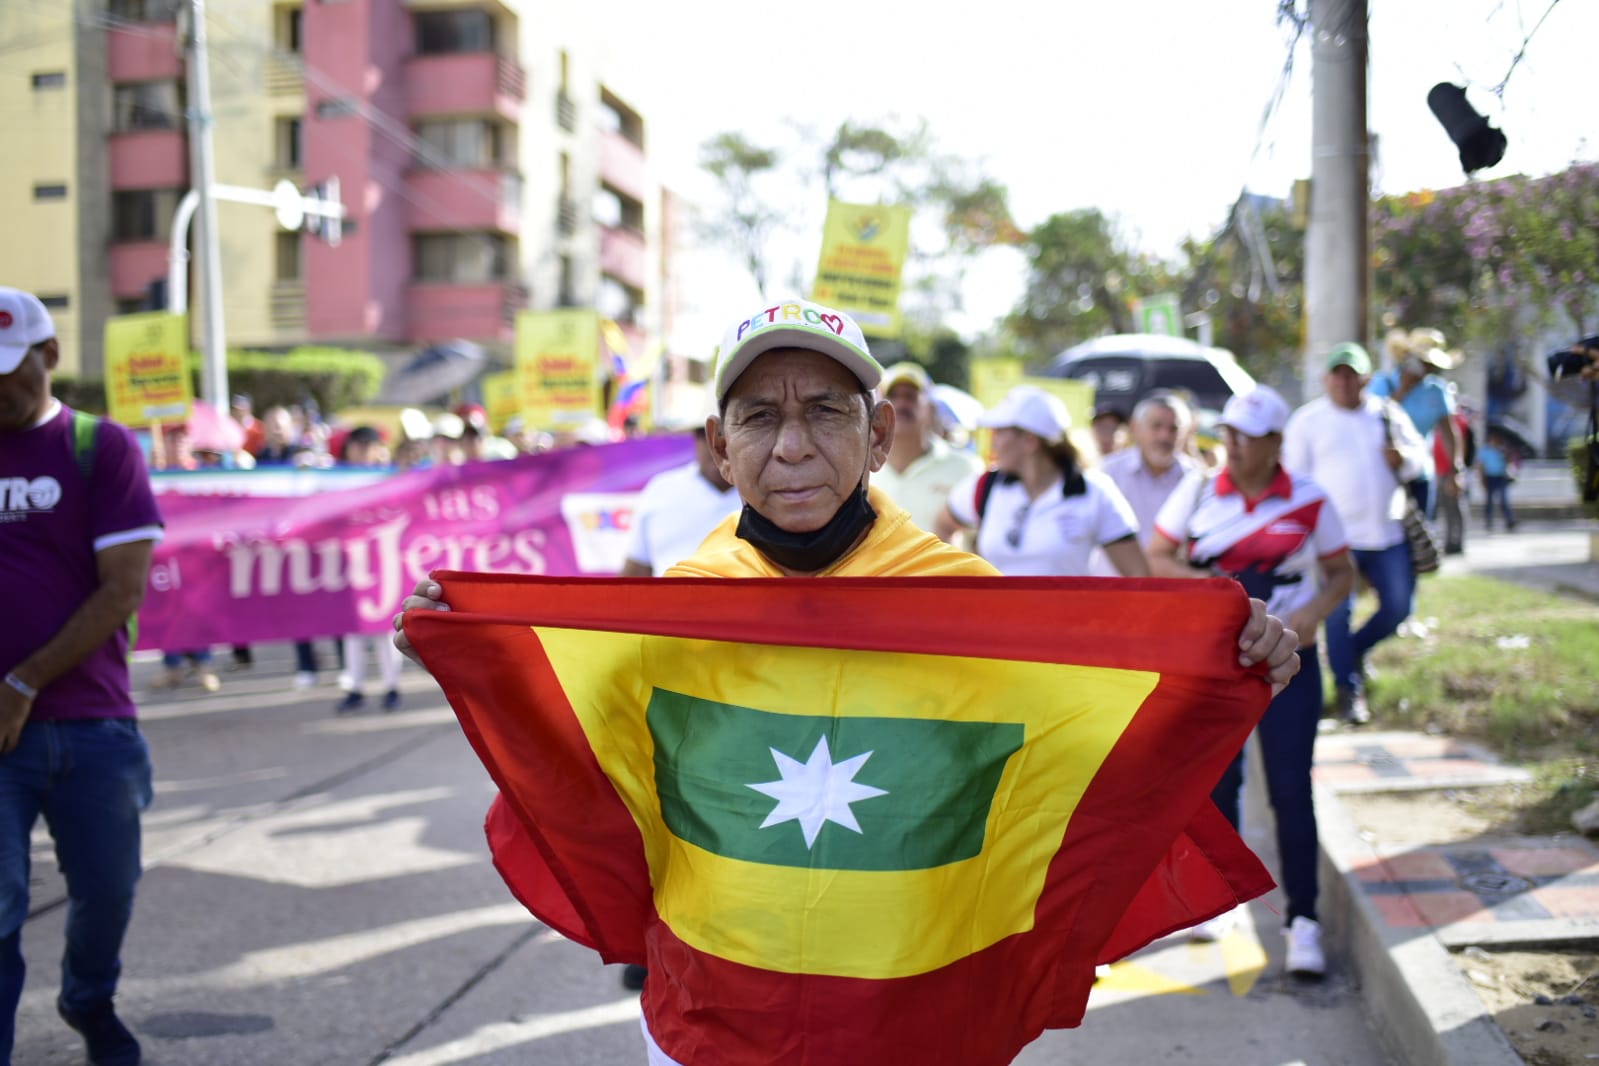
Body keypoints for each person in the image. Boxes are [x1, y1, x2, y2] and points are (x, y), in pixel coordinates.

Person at [394, 298, 1301, 1065]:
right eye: (758, 416)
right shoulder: (672, 617)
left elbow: (1094, 761)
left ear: (877, 437)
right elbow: (575, 762)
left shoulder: (968, 612)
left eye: (825, 412)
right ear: (719, 444)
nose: (790, 446)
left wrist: (1231, 662)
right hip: (708, 1017)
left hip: (914, 1020)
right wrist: (472, 651)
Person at [0, 287, 162, 1066]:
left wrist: (24, 680)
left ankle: (87, 997)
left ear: (50, 356)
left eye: (10, 371)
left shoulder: (101, 449)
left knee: (107, 894)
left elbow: (122, 588)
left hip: (94, 725)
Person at [1148, 385, 1355, 977]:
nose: (1232, 445)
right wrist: (1214, 592)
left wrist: (1312, 614)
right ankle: (1224, 905)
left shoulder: (1311, 499)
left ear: (1275, 444)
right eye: (1229, 432)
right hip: (1218, 662)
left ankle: (1303, 922)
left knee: (1291, 791)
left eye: (1247, 436)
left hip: (1290, 662)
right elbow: (1157, 555)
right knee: (1218, 786)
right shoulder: (1197, 490)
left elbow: (1342, 573)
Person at [1283, 342, 1429, 726]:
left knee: (1399, 607)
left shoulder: (1386, 414)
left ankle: (1354, 651)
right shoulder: (1307, 421)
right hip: (1334, 541)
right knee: (1336, 617)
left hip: (1386, 532)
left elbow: (1420, 459)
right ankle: (1349, 691)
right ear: (1326, 379)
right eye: (1338, 374)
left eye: (1353, 374)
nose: (1345, 382)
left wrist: (1405, 459)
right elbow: (1292, 480)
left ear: (1367, 378)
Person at [935, 386, 1149, 577]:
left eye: (1000, 432)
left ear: (1030, 441)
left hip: (1068, 622)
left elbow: (1137, 574)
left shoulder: (1096, 491)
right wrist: (962, 581)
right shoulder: (984, 485)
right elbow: (943, 526)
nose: (994, 442)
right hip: (993, 620)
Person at [618, 406, 742, 578]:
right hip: (668, 604)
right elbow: (636, 571)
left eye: (726, 433)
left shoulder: (771, 495)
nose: (716, 444)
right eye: (706, 433)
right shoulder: (661, 489)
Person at [334, 427, 404, 713]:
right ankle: (355, 687)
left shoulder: (390, 478)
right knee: (353, 631)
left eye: (368, 445)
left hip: (383, 560)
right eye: (357, 445)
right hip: (350, 563)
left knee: (385, 630)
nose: (363, 450)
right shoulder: (336, 480)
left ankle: (391, 686)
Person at [870, 362, 983, 537]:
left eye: (911, 396)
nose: (901, 404)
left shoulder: (968, 467)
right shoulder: (859, 466)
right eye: (892, 396)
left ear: (931, 409)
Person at [1370, 328, 1463, 520]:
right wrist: (1403, 389)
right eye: (1422, 362)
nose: (1426, 368)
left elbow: (1449, 432)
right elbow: (1373, 418)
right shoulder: (1384, 383)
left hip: (1420, 472)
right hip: (1387, 473)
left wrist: (1454, 471)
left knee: (1421, 531)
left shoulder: (1437, 390)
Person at [1100, 391, 1198, 550]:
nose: (1164, 436)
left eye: (1174, 429)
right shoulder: (1106, 473)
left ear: (1186, 433)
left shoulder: (1197, 479)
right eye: (1156, 426)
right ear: (1135, 427)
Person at [1478, 427, 1519, 532]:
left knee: (1504, 500)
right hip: (1490, 477)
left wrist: (1505, 454)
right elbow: (1480, 466)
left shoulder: (1502, 450)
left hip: (1501, 477)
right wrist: (1482, 479)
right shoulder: (1485, 451)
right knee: (1489, 501)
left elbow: (1510, 462)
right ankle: (1489, 522)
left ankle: (1509, 520)